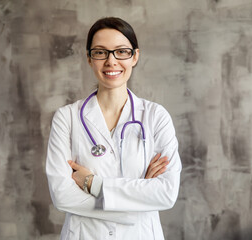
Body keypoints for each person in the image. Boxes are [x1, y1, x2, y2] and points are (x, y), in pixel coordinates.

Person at [46, 17, 182, 240]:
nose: (111, 61)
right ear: (89, 59)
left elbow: (166, 194)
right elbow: (62, 196)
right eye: (100, 52)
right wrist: (138, 199)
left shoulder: (156, 117)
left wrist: (93, 184)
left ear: (135, 56)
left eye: (121, 52)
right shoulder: (67, 118)